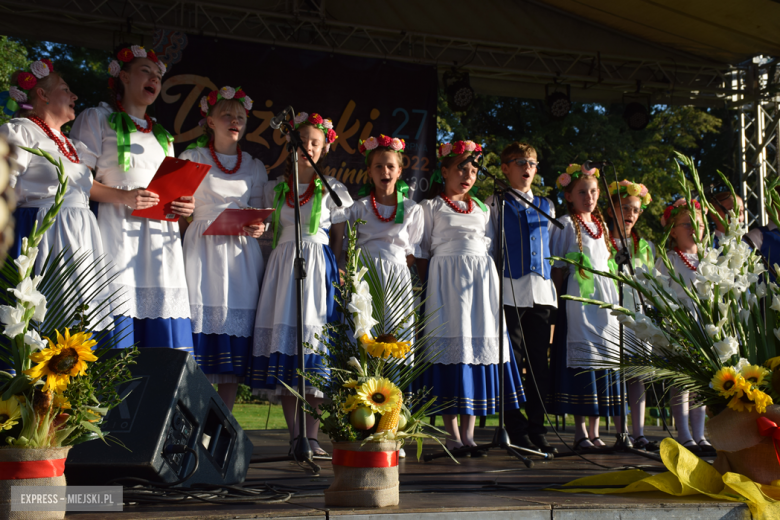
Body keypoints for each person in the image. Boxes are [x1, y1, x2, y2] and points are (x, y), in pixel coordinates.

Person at [71, 44, 195, 351]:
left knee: (162, 334)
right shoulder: (96, 118)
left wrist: (183, 206)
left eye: (158, 75)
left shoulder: (163, 136)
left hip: (158, 240)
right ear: (123, 77)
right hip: (116, 233)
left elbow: (172, 190)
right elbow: (75, 181)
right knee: (117, 322)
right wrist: (122, 196)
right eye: (145, 71)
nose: (154, 78)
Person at [249, 112, 351, 457]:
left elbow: (338, 238)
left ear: (323, 149)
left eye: (314, 143)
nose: (307, 147)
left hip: (317, 265)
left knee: (313, 349)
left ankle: (312, 435)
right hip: (282, 265)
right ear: (290, 145)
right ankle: (294, 437)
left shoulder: (334, 189)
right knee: (288, 350)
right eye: (302, 141)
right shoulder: (274, 188)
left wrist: (333, 268)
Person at [416, 140, 525, 456]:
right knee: (453, 349)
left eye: (474, 169)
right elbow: (422, 251)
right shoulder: (431, 207)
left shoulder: (483, 208)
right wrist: (431, 285)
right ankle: (452, 435)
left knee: (478, 349)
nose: (468, 174)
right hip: (445, 285)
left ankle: (469, 434)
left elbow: (488, 247)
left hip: (480, 286)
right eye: (461, 167)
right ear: (445, 170)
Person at [0, 58, 112, 337]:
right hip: (45, 232)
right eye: (65, 89)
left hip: (81, 234)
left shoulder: (71, 145)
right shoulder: (20, 130)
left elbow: (86, 187)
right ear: (42, 94)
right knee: (45, 322)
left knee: (78, 327)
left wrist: (130, 196)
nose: (74, 96)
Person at [178, 86, 266, 410]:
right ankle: (192, 419)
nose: (234, 121)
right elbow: (177, 211)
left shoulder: (255, 166)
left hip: (241, 255)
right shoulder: (193, 158)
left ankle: (221, 425)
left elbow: (259, 215)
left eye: (240, 117)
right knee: (202, 335)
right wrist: (184, 215)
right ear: (210, 120)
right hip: (202, 249)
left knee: (232, 347)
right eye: (226, 115)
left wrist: (259, 227)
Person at [484, 142, 557, 454]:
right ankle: (514, 427)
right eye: (519, 162)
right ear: (505, 168)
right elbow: (488, 248)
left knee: (539, 363)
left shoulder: (547, 205)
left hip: (540, 292)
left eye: (532, 162)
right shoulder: (495, 203)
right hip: (509, 291)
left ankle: (537, 427)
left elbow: (548, 246)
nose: (527, 167)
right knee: (510, 363)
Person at [548, 163, 622, 451]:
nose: (588, 197)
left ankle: (595, 431)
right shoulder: (567, 224)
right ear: (569, 196)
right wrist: (557, 300)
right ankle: (580, 431)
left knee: (603, 361)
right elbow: (557, 266)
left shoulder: (602, 226)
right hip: (578, 299)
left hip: (604, 300)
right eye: (582, 192)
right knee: (583, 362)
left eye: (592, 191)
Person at [346, 134, 422, 342]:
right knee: (363, 335)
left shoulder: (411, 209)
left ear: (399, 171)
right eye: (378, 166)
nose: (384, 171)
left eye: (390, 166)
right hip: (365, 277)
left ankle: (393, 375)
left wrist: (392, 266)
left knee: (393, 335)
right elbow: (348, 248)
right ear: (369, 172)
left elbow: (412, 252)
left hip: (396, 277)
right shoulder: (358, 208)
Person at [656, 199, 714, 455]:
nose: (694, 229)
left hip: (705, 327)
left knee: (702, 383)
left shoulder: (709, 258)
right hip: (680, 325)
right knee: (682, 383)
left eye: (698, 224)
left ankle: (701, 434)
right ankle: (684, 434)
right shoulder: (669, 259)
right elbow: (657, 292)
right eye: (687, 224)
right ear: (673, 230)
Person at [605, 180, 656, 450]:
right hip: (612, 314)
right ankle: (620, 432)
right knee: (616, 373)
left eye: (635, 210)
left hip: (637, 316)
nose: (630, 214)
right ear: (612, 209)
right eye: (625, 208)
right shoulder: (603, 240)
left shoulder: (645, 246)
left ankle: (639, 433)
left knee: (637, 375)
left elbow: (650, 284)